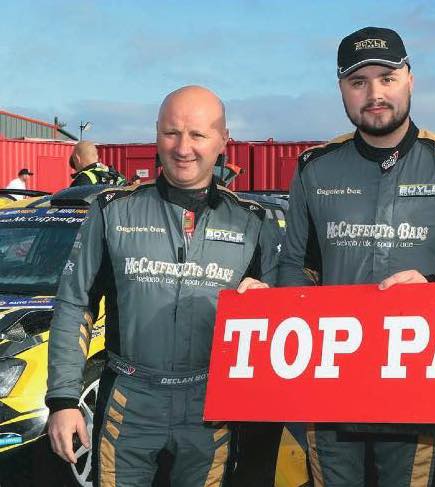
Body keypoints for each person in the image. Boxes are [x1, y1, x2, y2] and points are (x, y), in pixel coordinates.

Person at [277, 26, 435, 487]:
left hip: (420, 383)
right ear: (342, 89)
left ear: (410, 79)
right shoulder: (314, 168)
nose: (374, 93)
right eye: (358, 81)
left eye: (387, 77)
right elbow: (294, 267)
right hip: (331, 384)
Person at [46, 85, 283, 487]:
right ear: (156, 134)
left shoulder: (253, 222)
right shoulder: (112, 209)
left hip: (213, 403)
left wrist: (271, 306)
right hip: (130, 398)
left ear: (223, 140)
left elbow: (287, 317)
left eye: (198, 135)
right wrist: (64, 400)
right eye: (171, 133)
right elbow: (74, 304)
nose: (183, 147)